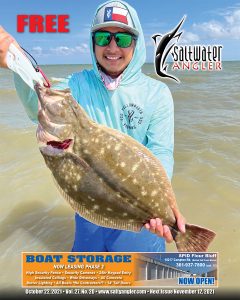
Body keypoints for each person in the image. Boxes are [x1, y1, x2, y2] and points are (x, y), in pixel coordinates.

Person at [0, 0, 185, 252]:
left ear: (136, 43)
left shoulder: (157, 93)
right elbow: (40, 106)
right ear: (92, 42)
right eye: (102, 37)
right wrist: (16, 61)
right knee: (87, 280)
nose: (111, 47)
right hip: (90, 210)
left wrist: (162, 204)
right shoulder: (76, 84)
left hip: (141, 223)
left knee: (139, 284)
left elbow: (161, 151)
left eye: (122, 39)